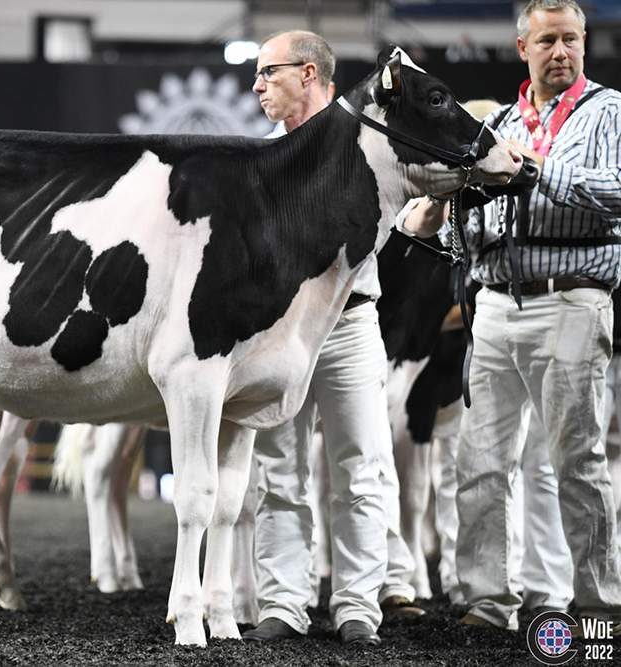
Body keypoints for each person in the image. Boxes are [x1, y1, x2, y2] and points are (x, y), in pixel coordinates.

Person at [401, 0, 621, 632]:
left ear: (585, 44)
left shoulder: (609, 110)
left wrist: (538, 170)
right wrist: (440, 219)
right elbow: (471, 227)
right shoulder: (497, 122)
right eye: (548, 39)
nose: (561, 51)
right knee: (480, 464)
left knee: (576, 463)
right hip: (494, 306)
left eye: (572, 39)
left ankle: (599, 608)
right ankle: (488, 604)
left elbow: (614, 193)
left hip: (572, 296)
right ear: (522, 47)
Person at [244, 30, 419, 649]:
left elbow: (404, 224)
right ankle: (284, 605)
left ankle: (357, 608)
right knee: (277, 472)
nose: (258, 83)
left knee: (362, 467)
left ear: (311, 73)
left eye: (269, 71)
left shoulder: (369, 147)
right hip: (278, 332)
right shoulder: (260, 158)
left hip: (348, 324)